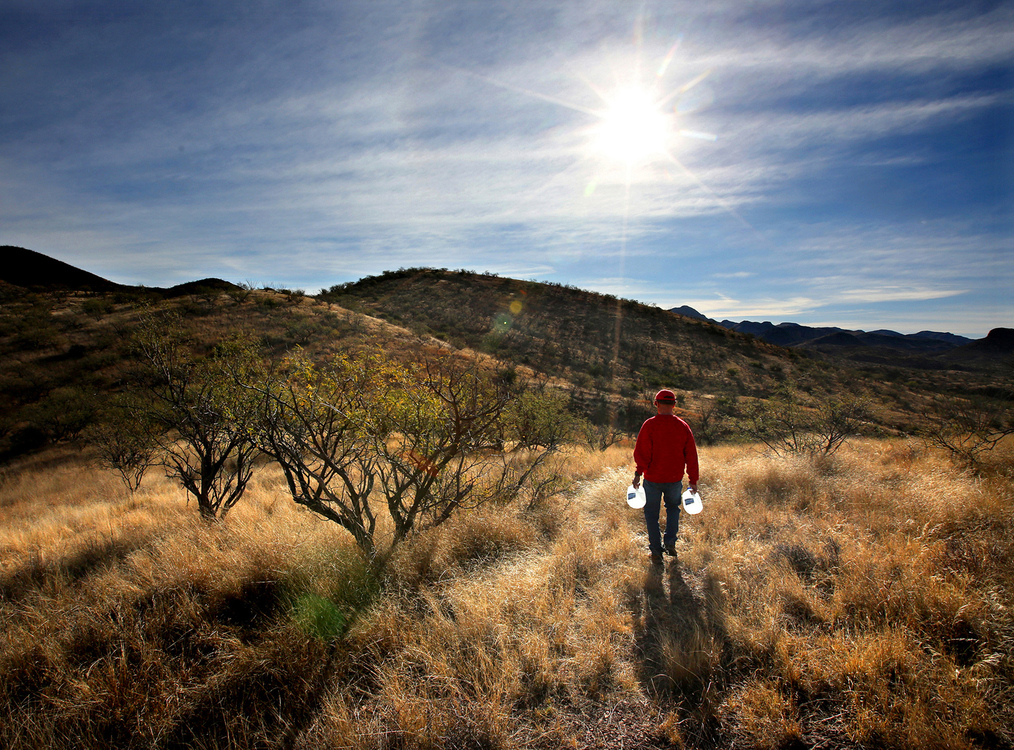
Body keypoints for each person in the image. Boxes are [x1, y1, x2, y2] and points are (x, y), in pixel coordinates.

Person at [632, 389, 699, 565]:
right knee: (673, 509)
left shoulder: (649, 425)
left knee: (651, 514)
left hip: (652, 478)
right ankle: (670, 542)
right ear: (674, 405)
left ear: (656, 404)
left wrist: (638, 473)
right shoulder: (683, 426)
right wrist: (693, 480)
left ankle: (655, 552)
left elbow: (642, 453)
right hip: (675, 479)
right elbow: (691, 455)